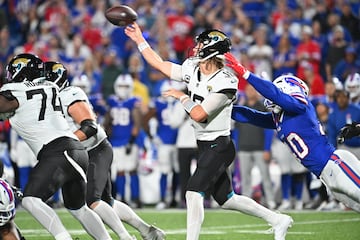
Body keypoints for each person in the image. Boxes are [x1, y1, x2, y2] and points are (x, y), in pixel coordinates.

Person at [125, 23, 293, 240]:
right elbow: (160, 64)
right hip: (204, 144)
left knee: (193, 192)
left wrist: (181, 96)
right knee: (227, 199)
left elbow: (199, 114)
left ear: (212, 49)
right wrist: (139, 40)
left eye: (201, 43)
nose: (196, 47)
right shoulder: (193, 67)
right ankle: (277, 219)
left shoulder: (226, 80)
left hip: (220, 145)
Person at [45, 61, 166, 240]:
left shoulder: (71, 93)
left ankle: (125, 237)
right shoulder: (50, 99)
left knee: (92, 201)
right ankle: (147, 230)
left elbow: (90, 127)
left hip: (95, 149)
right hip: (80, 153)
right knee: (106, 201)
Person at [225, 52, 360, 213]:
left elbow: (274, 94)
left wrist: (244, 73)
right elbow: (252, 116)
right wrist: (224, 108)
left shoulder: (299, 106)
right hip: (326, 174)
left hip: (334, 164)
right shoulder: (281, 117)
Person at [0, 53, 112, 240]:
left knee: (30, 200)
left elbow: (9, 104)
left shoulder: (14, 90)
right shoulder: (50, 86)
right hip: (76, 150)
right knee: (78, 208)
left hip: (56, 151)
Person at [142, 80, 184, 209]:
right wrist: (152, 136)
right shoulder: (159, 104)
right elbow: (145, 119)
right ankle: (162, 199)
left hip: (178, 142)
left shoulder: (180, 103)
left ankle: (174, 198)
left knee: (177, 171)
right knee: (165, 171)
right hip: (165, 143)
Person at [103, 73, 143, 209]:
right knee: (119, 171)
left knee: (131, 170)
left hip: (128, 141)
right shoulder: (112, 101)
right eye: (121, 86)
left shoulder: (134, 101)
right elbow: (107, 122)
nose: (123, 88)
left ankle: (136, 198)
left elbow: (137, 123)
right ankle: (122, 198)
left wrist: (131, 141)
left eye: (126, 86)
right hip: (115, 141)